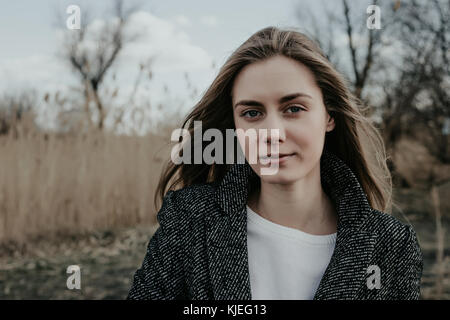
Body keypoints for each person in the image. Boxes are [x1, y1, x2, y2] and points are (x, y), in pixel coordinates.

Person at [127, 26, 423, 300]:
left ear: (329, 116)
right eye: (252, 113)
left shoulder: (392, 246)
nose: (272, 134)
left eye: (294, 108)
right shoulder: (189, 219)